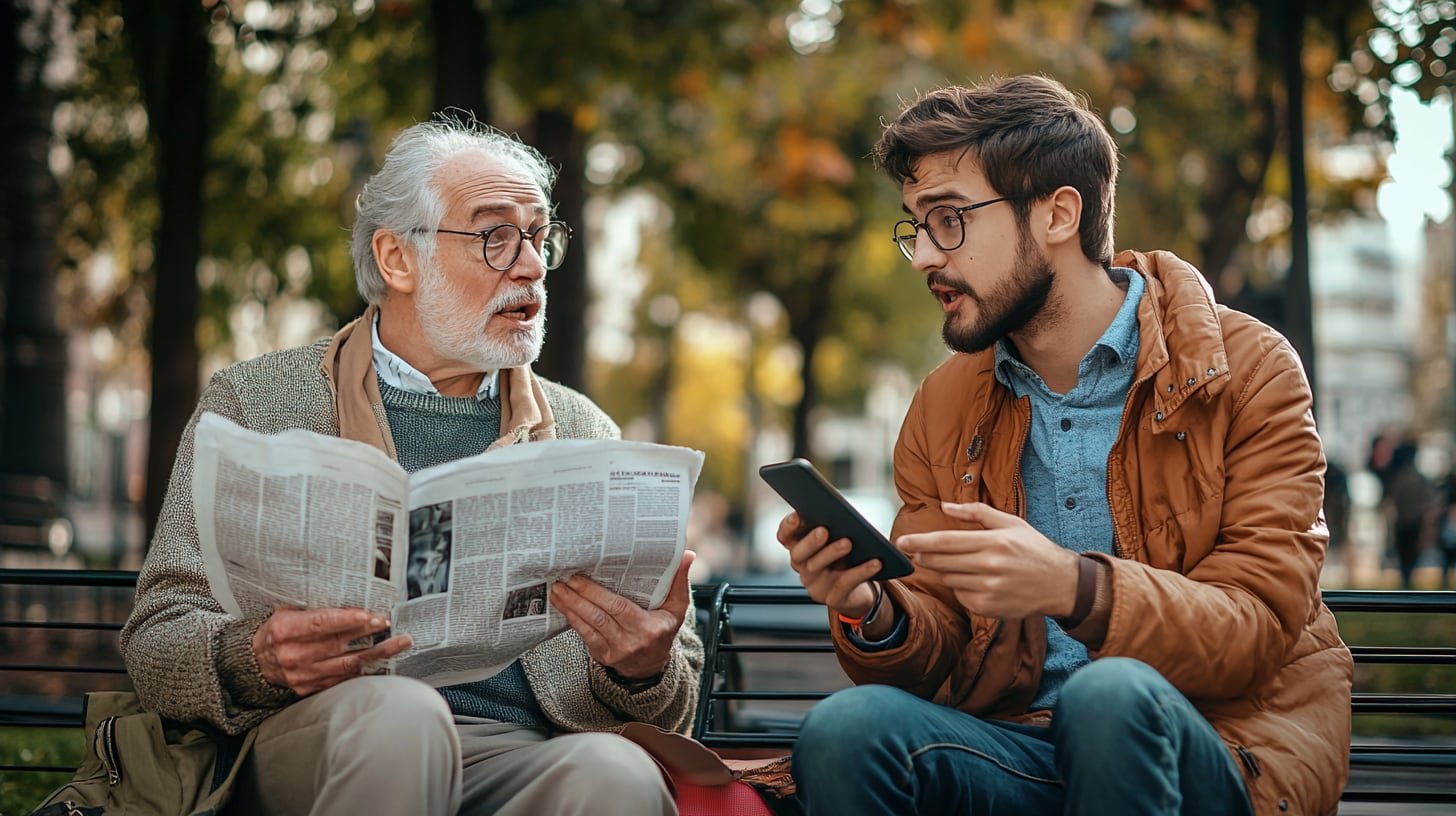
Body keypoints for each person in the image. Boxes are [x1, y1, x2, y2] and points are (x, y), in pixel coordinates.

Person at [779, 74, 1351, 816]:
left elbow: (1257, 628)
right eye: (914, 226)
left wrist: (1072, 586)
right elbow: (938, 633)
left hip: (1214, 748)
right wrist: (871, 609)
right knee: (847, 729)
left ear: (1058, 213)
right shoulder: (942, 404)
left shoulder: (1247, 371)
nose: (923, 254)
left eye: (949, 219)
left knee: (1108, 698)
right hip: (1019, 749)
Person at [120, 116, 702, 816]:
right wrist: (256, 657)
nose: (530, 265)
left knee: (615, 772)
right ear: (397, 259)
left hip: (508, 753)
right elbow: (156, 642)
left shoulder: (584, 431)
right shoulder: (258, 400)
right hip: (320, 741)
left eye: (539, 237)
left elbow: (673, 699)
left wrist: (641, 668)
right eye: (494, 236)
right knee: (400, 718)